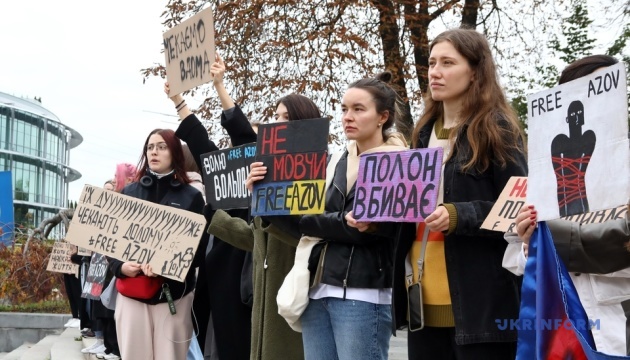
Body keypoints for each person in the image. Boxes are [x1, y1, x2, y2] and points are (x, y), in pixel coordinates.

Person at [383, 28, 527, 359]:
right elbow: (411, 211)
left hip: (481, 306)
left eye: (448, 62)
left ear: (475, 71)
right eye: (432, 62)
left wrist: (460, 214)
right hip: (422, 299)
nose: (435, 71)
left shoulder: (496, 128)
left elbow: (519, 206)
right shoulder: (421, 134)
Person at [266, 72, 407, 360]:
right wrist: (264, 190)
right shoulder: (332, 162)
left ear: (383, 117)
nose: (347, 117)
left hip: (363, 294)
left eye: (358, 109)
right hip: (316, 291)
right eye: (344, 109)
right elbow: (301, 223)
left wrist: (320, 222)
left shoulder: (399, 162)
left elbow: (359, 231)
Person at [502, 54, 630, 355]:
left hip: (611, 318)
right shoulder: (538, 173)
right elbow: (514, 261)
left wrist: (578, 249)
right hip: (554, 321)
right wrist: (528, 245)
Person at [206, 93, 324, 360]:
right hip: (264, 296)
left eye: (286, 118)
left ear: (304, 125)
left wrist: (269, 207)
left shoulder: (318, 173)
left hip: (297, 295)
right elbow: (257, 237)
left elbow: (311, 235)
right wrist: (215, 217)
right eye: (277, 116)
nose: (277, 123)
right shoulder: (268, 172)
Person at [165, 53, 257, 360]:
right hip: (216, 282)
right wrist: (179, 101)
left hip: (246, 282)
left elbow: (243, 137)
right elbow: (201, 142)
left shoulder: (269, 185)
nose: (241, 151)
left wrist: (221, 88)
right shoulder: (225, 174)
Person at [108, 129, 205, 360]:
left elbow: (199, 252)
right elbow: (109, 244)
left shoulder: (192, 197)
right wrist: (121, 267)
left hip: (173, 298)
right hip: (132, 295)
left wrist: (166, 267)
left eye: (161, 147)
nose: (154, 152)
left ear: (174, 153)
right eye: (150, 147)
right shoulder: (129, 193)